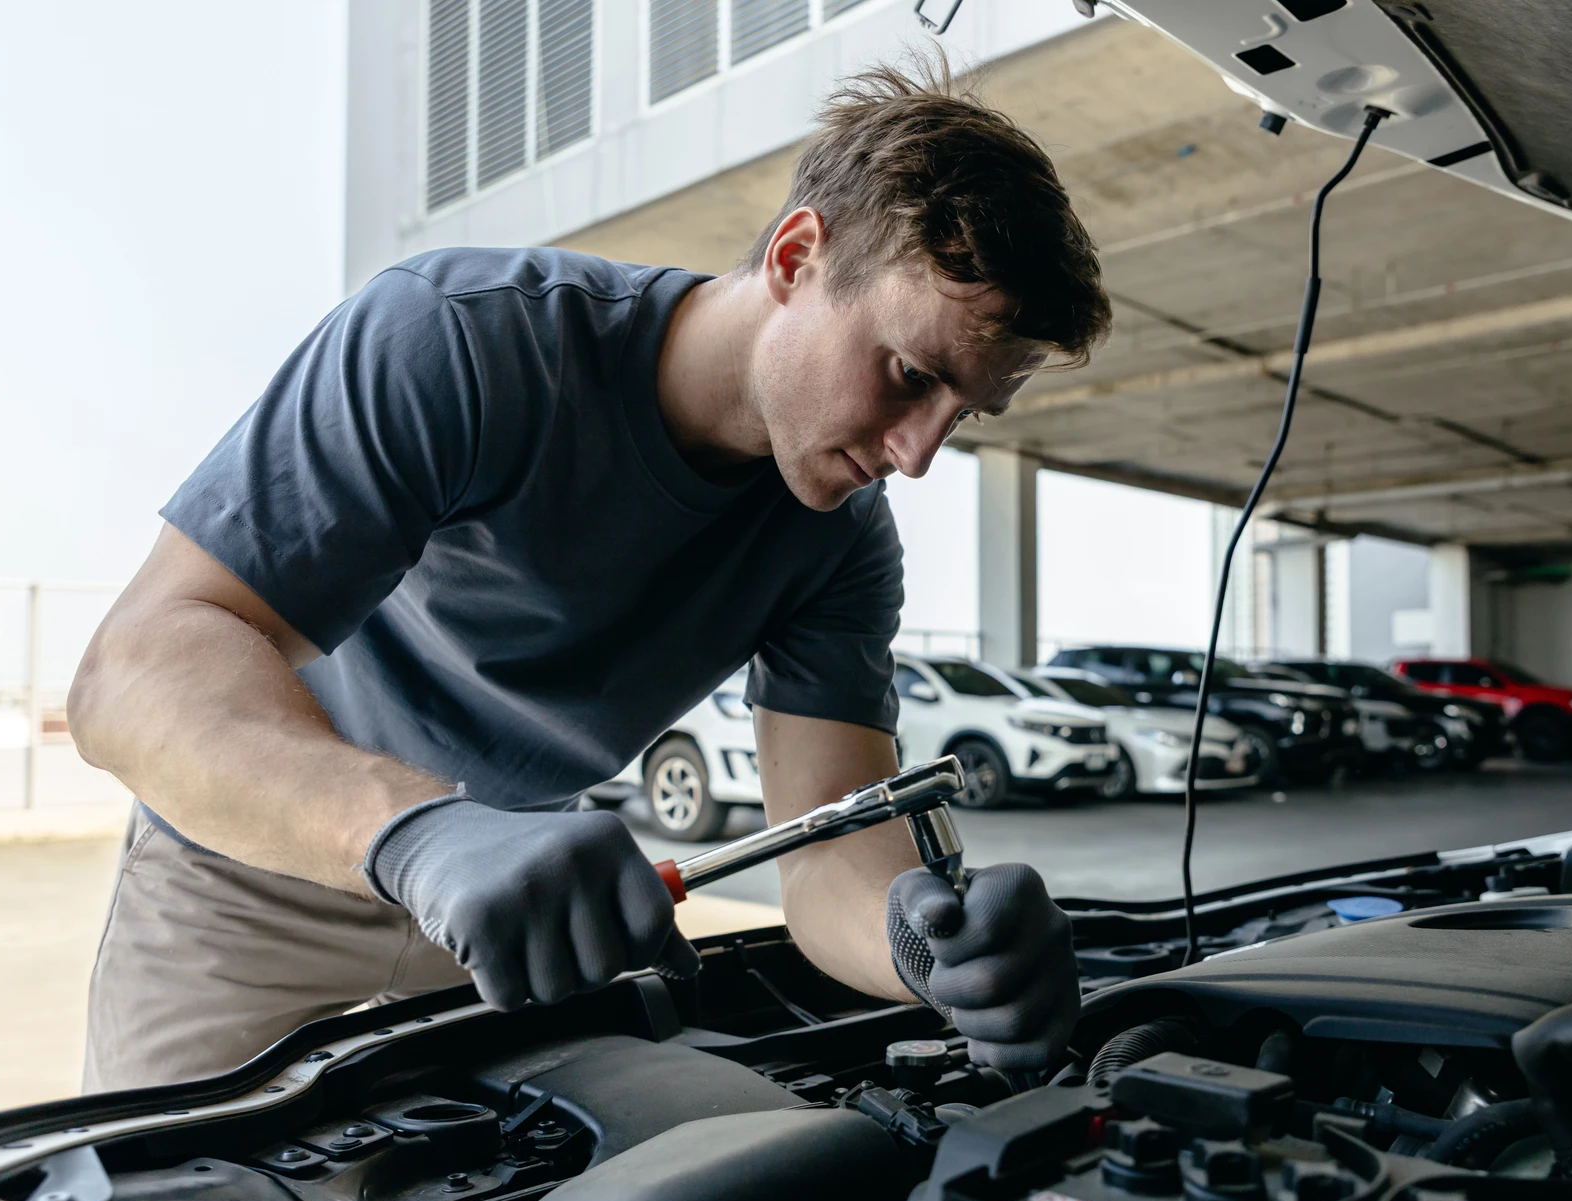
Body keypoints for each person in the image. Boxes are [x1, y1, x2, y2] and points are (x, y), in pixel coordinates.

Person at [68, 62, 1111, 1091]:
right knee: (163, 1200)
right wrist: (420, 835)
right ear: (797, 256)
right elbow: (132, 676)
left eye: (963, 414)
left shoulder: (840, 539)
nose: (918, 454)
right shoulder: (458, 341)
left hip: (518, 918)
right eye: (911, 375)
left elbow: (828, 849)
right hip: (251, 876)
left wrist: (925, 950)